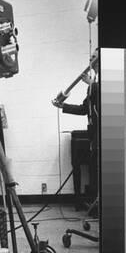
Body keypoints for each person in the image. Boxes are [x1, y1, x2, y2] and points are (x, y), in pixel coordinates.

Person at [53, 71, 100, 209]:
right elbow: (85, 109)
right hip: (94, 134)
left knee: (100, 169)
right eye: (91, 58)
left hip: (106, 133)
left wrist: (92, 84)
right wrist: (64, 106)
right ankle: (95, 204)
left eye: (94, 58)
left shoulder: (101, 82)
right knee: (94, 169)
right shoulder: (94, 86)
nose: (92, 61)